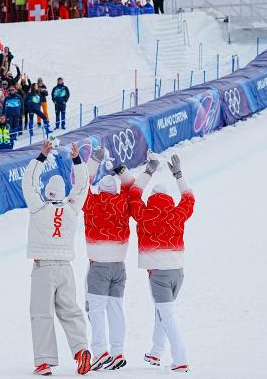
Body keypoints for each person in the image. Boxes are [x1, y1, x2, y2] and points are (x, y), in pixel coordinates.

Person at [22, 140, 92, 376]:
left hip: (43, 267)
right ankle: (81, 349)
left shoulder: (38, 207)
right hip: (65, 267)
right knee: (70, 310)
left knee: (41, 314)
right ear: (63, 193)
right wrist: (76, 160)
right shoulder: (72, 209)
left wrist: (41, 157)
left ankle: (44, 362)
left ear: (47, 192)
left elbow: (28, 183)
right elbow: (82, 186)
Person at [128, 154, 194, 373]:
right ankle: (156, 352)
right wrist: (179, 175)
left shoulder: (144, 213)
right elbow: (189, 199)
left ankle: (180, 358)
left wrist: (148, 171)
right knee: (162, 310)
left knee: (166, 314)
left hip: (158, 273)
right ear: (168, 197)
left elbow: (133, 195)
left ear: (153, 197)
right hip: (178, 272)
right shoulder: (177, 213)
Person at [83, 147, 135, 371]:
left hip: (98, 265)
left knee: (95, 309)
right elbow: (132, 187)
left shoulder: (91, 204)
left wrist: (94, 160)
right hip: (119, 266)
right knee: (116, 309)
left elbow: (82, 184)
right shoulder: (123, 202)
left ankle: (100, 350)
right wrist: (119, 169)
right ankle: (117, 351)